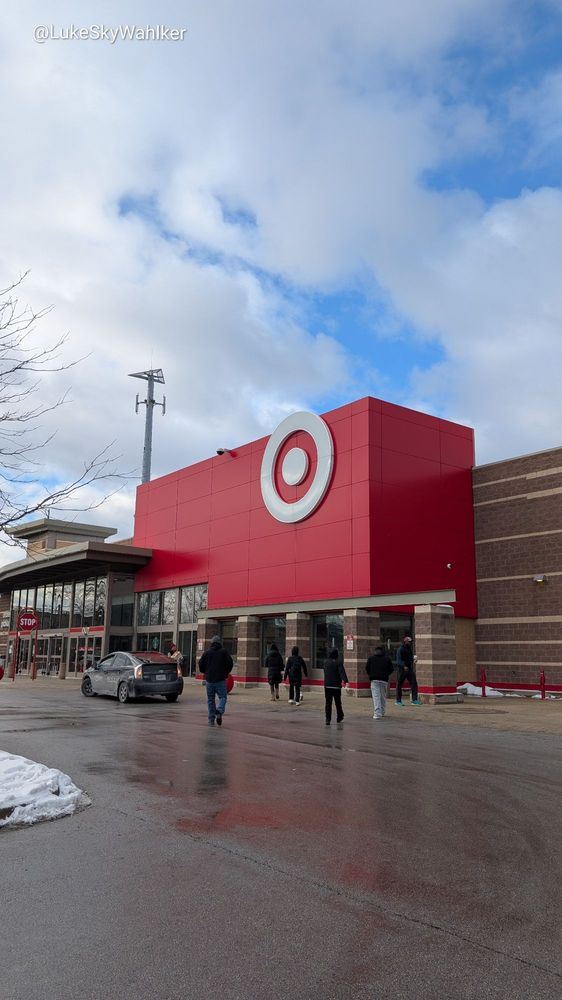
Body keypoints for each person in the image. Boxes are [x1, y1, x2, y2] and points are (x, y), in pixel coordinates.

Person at [198, 635, 234, 726]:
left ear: (212, 643)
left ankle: (211, 720)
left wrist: (206, 672)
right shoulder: (224, 652)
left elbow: (201, 664)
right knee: (223, 697)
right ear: (219, 643)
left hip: (209, 680)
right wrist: (226, 673)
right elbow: (230, 663)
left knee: (211, 700)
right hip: (220, 679)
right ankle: (219, 710)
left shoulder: (207, 653)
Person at [365, 645, 394, 719]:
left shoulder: (371, 659)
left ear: (375, 651)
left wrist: (371, 674)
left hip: (374, 680)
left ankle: (377, 713)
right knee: (382, 696)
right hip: (384, 680)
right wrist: (386, 674)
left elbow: (367, 668)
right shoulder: (387, 659)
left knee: (376, 696)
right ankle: (382, 711)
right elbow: (391, 669)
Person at [322, 647, 348, 725]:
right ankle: (339, 716)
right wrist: (345, 680)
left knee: (328, 703)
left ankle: (328, 719)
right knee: (338, 702)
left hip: (327, 685)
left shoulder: (325, 662)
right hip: (336, 686)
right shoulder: (338, 662)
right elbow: (342, 672)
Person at [395, 635, 421, 706]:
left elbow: (409, 659)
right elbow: (398, 660)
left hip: (409, 669)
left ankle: (414, 700)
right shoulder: (400, 649)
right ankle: (398, 700)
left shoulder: (409, 649)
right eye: (409, 642)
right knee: (399, 684)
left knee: (414, 683)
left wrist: (413, 660)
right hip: (401, 669)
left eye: (411, 642)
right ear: (405, 642)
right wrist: (403, 665)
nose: (410, 643)